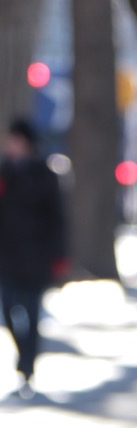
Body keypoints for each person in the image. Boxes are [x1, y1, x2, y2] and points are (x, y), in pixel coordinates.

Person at [0, 117, 68, 397]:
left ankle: (27, 366)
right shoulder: (4, 172)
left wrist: (58, 255)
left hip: (36, 257)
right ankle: (23, 356)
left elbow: (57, 218)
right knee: (7, 309)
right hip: (7, 257)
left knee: (31, 312)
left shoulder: (44, 174)